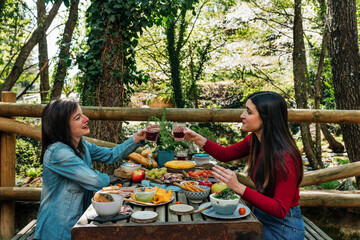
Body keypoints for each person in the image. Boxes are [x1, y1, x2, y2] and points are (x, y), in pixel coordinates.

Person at [185, 91, 305, 239]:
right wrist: (197, 138)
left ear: (266, 118)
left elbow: (280, 209)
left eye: (248, 112)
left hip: (284, 228)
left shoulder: (286, 156)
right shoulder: (255, 140)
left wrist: (238, 187)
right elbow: (225, 154)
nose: (242, 115)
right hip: (259, 217)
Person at [35, 99, 151, 240]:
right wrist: (112, 180)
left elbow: (111, 155)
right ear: (62, 126)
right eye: (78, 117)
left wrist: (136, 138)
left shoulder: (80, 144)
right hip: (58, 232)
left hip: (78, 225)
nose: (86, 119)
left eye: (82, 114)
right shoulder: (58, 153)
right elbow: (95, 180)